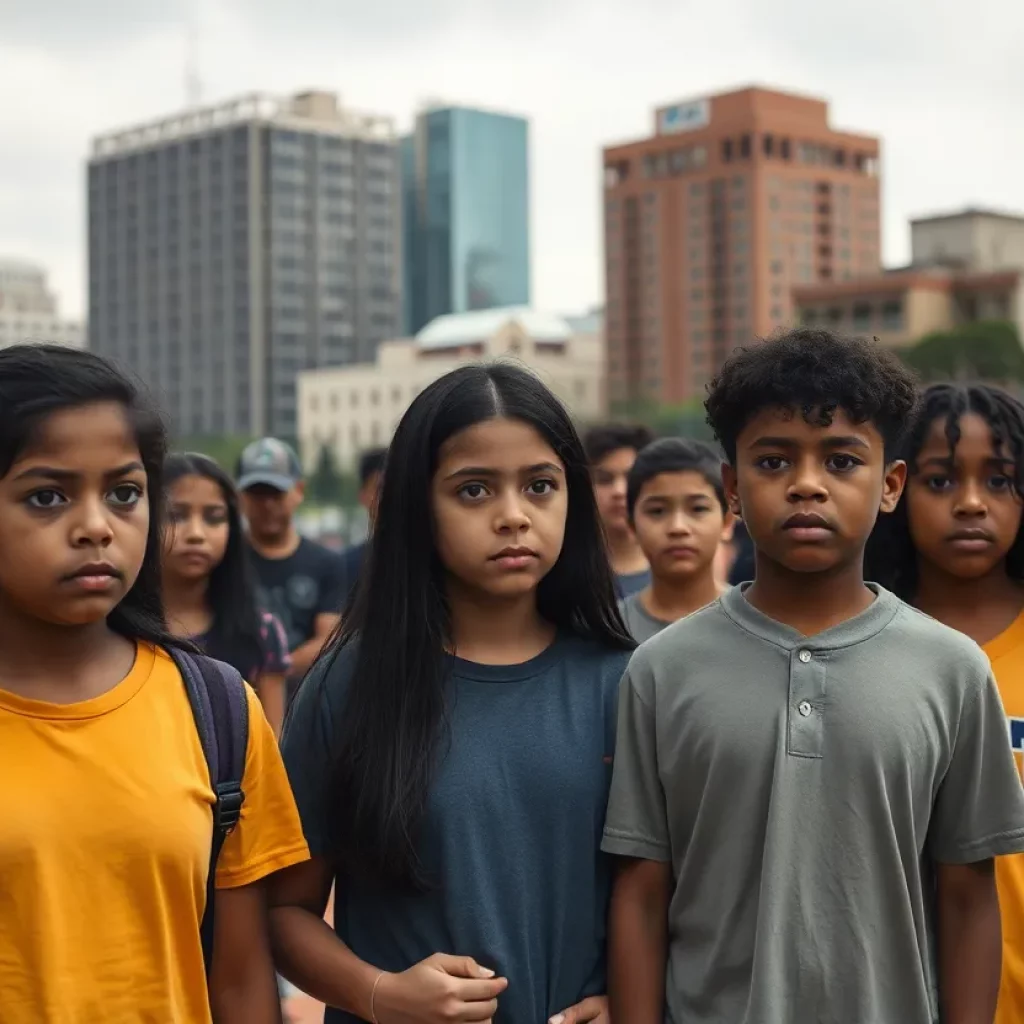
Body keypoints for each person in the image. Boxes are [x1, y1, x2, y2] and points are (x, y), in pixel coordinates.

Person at [603, 328, 1024, 1024]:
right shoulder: (660, 669)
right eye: (773, 461)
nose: (805, 484)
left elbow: (967, 897)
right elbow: (643, 893)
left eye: (840, 460)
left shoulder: (953, 670)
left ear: (889, 485)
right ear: (733, 489)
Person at [270, 363, 634, 1024]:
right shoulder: (350, 683)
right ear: (416, 507)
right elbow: (284, 912)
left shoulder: (625, 680)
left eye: (541, 486)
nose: (514, 516)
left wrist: (627, 999)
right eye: (474, 491)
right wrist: (379, 994)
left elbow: (659, 901)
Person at [0, 345, 309, 1023]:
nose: (95, 527)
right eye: (47, 496)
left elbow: (239, 980)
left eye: (124, 493)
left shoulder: (219, 710)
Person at [868, 382, 1024, 1024]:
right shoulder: (857, 648)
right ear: (896, 489)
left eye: (1000, 480)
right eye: (939, 481)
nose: (970, 504)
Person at [163, 452, 291, 735]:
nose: (196, 533)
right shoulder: (115, 632)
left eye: (213, 518)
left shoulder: (262, 633)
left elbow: (273, 743)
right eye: (177, 515)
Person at [237, 437, 346, 683]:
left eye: (276, 493)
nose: (267, 504)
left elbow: (329, 640)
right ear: (240, 497)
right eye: (257, 494)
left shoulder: (326, 563)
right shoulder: (226, 560)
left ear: (299, 491)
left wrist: (271, 672)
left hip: (303, 698)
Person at [619, 438, 733, 642]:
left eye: (698, 508)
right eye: (657, 511)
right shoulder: (611, 631)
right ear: (632, 527)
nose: (677, 527)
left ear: (727, 523)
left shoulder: (759, 625)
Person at [583, 423, 655, 597]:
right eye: (604, 480)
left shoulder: (676, 570)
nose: (619, 491)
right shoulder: (566, 574)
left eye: (631, 477)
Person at [338, 446, 386, 609]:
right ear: (363, 495)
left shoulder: (435, 565)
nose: (391, 496)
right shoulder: (344, 567)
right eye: (381, 489)